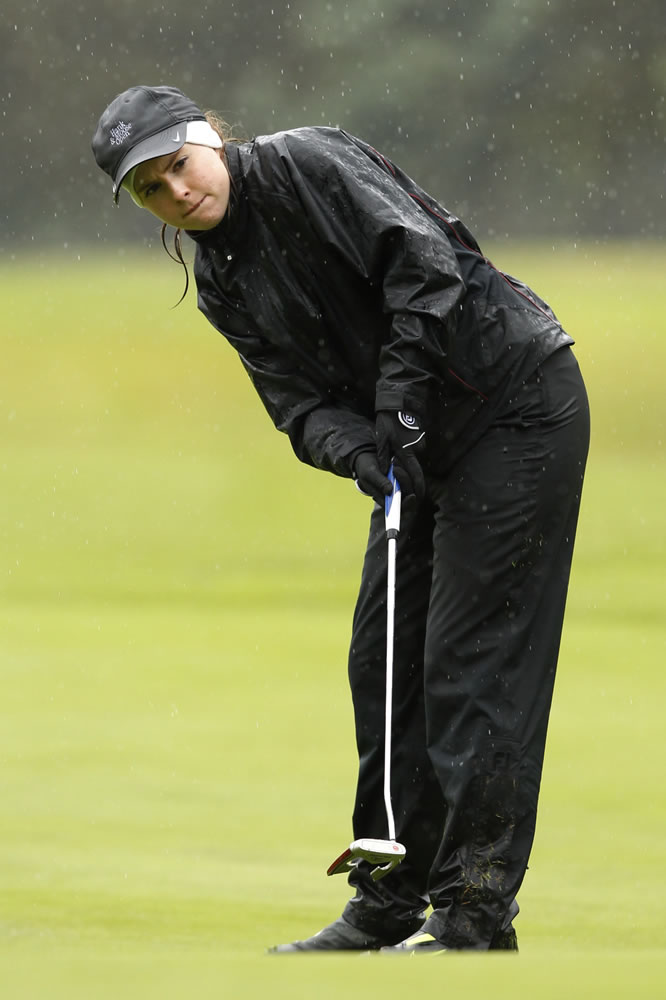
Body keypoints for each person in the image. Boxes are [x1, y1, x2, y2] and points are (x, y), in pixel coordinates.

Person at [92, 85, 589, 953]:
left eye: (179, 165)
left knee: (471, 663)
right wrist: (363, 452)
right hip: (420, 448)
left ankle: (475, 911)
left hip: (513, 406)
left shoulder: (307, 163)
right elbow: (297, 405)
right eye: (151, 191)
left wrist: (396, 411)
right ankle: (390, 898)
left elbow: (424, 265)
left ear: (210, 136)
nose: (177, 193)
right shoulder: (220, 279)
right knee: (383, 659)